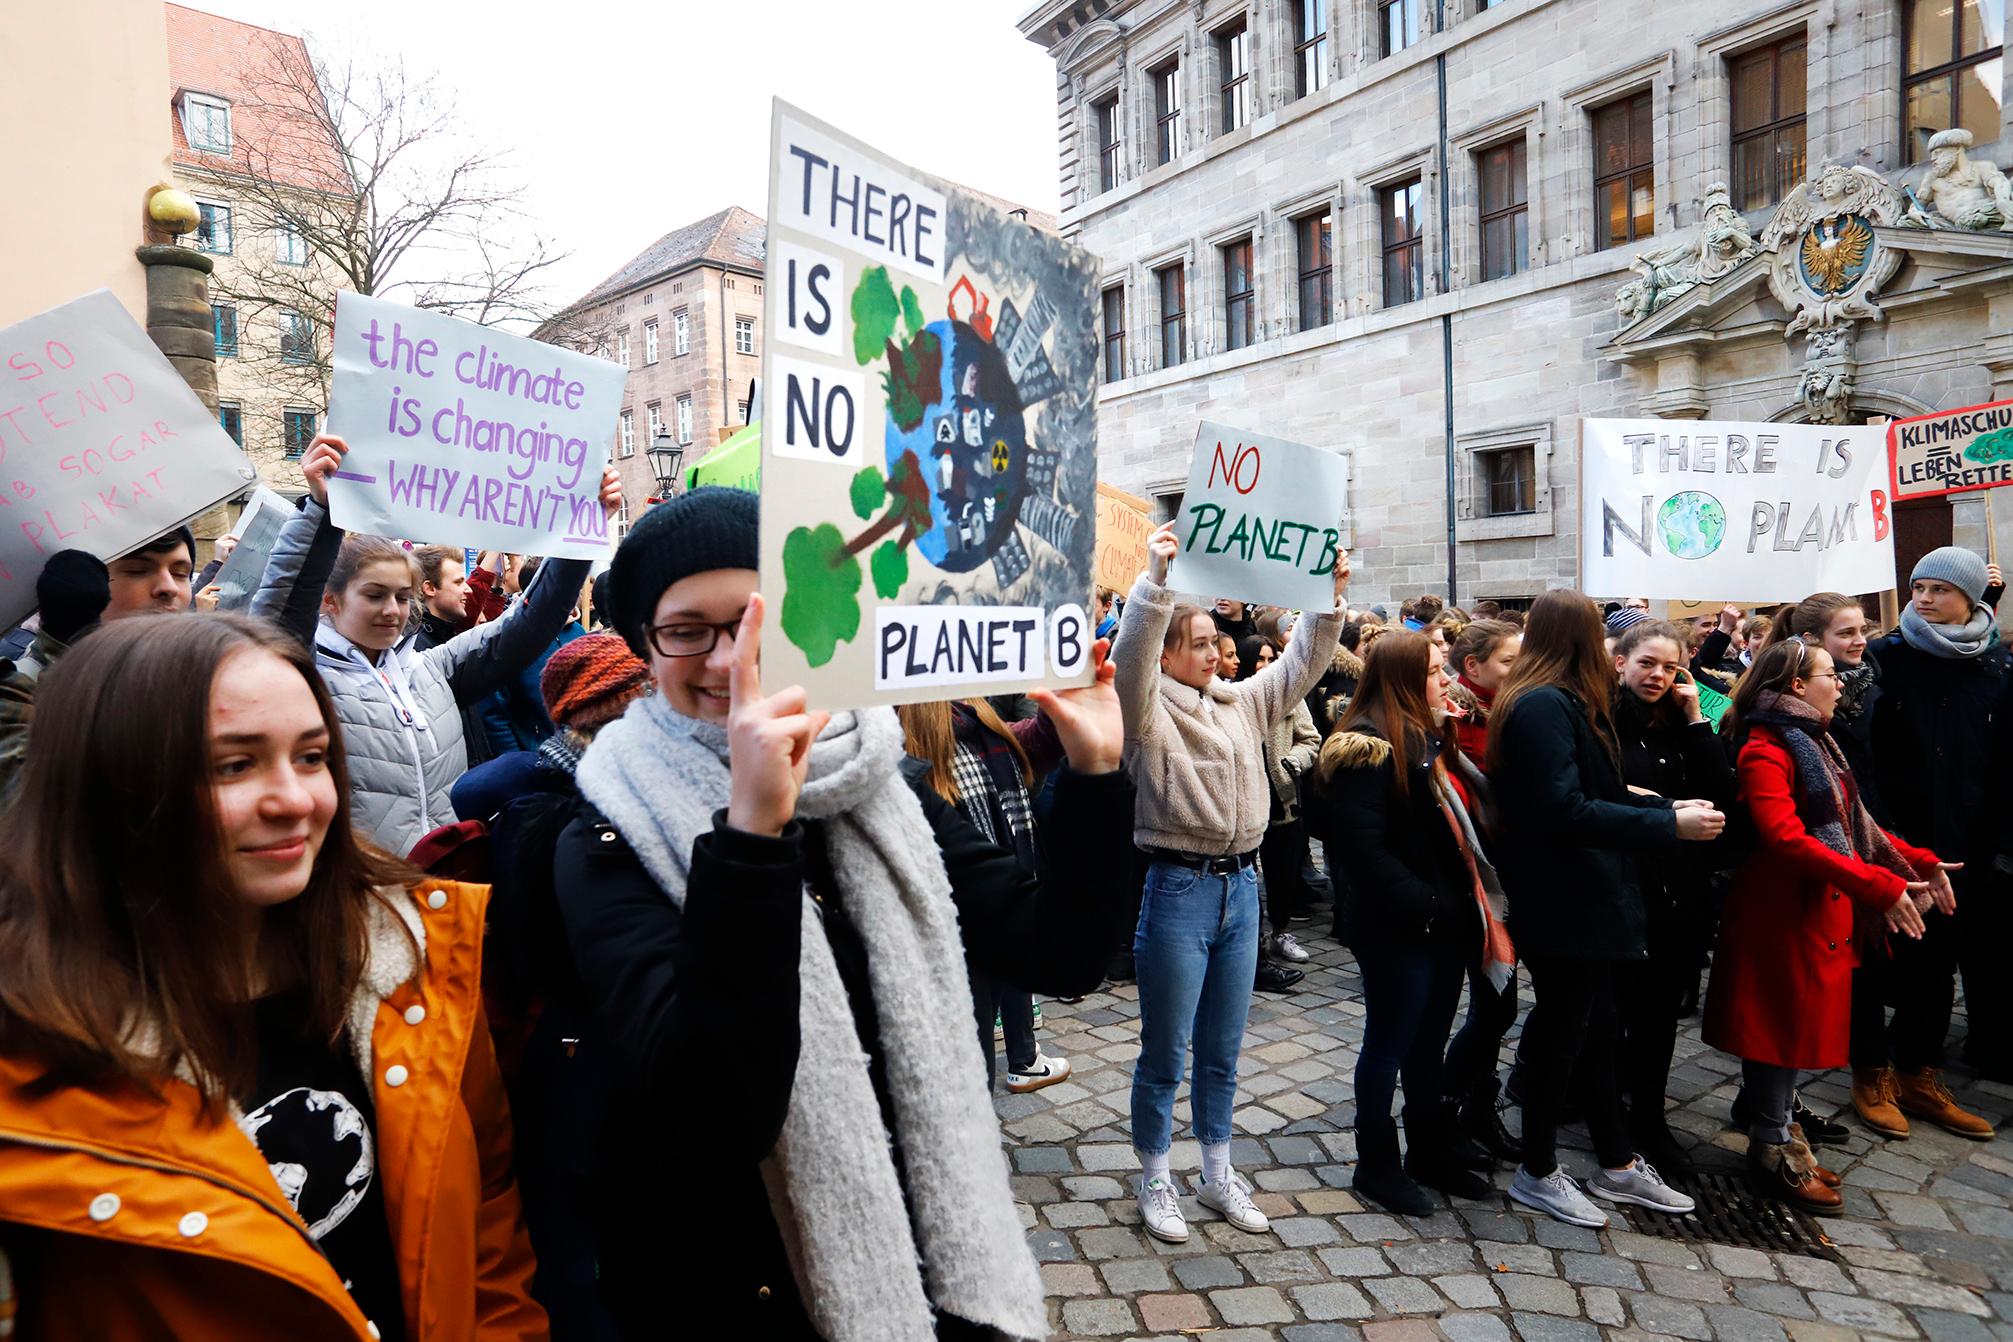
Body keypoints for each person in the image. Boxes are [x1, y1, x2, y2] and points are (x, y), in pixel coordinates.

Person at [546, 487, 1131, 1338]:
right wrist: (750, 833)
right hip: (752, 1287)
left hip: (941, 1260)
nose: (724, 661)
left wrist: (1094, 776)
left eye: (753, 623)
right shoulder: (601, 833)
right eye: (686, 631)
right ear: (644, 643)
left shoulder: (872, 777)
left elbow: (1061, 952)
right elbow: (718, 1110)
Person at [0, 613, 543, 1339]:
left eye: (313, 756)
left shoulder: (414, 961)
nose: (297, 800)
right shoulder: (27, 1057)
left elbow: (486, 1218)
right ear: (113, 786)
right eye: (234, 764)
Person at [1115, 521, 1345, 1245]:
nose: (1213, 651)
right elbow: (1130, 659)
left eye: (1217, 639)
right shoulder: (1147, 709)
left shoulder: (1242, 700)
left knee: (1222, 1049)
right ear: (1170, 652)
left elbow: (1303, 662)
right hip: (1177, 891)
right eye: (1198, 642)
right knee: (1165, 1052)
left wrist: (1326, 596)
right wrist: (1155, 584)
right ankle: (1155, 1174)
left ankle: (1217, 1172)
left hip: (1243, 891)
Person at [250, 434, 619, 857]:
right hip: (360, 893)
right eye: (375, 595)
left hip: (446, 889)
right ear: (330, 600)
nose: (393, 610)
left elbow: (528, 624)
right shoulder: (303, 677)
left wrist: (577, 537)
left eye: (403, 597)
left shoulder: (432, 669)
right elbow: (282, 608)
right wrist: (321, 509)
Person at [1488, 590, 1721, 1228]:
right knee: (1565, 1037)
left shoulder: (1560, 700)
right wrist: (1665, 828)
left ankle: (1617, 1163)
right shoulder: (1541, 704)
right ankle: (1539, 1172)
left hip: (1585, 893)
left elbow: (1595, 789)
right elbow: (1560, 810)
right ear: (1584, 640)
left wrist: (1660, 808)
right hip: (1563, 895)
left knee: (1594, 1031)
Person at [1707, 638, 1950, 1212]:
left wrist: (1917, 859)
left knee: (1789, 1027)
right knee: (1776, 1028)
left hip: (1816, 906)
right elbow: (1787, 837)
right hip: (1781, 910)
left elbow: (1853, 822)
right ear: (1796, 685)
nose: (1840, 682)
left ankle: (1779, 1128)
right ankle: (1772, 1146)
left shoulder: (1818, 740)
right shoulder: (1767, 748)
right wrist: (1880, 885)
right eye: (1828, 674)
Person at [1315, 632, 1506, 1214]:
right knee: (1390, 1045)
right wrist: (1429, 904)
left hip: (1443, 921)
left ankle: (1429, 1148)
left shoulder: (1426, 733)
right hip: (1398, 926)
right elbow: (1361, 852)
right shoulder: (1364, 747)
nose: (1444, 680)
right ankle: (1375, 1162)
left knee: (1428, 1045)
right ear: (1401, 679)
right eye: (1432, 671)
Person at [1865, 546, 2012, 1115]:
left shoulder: (1995, 666)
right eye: (1918, 588)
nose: (1923, 600)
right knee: (1895, 961)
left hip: (1969, 840)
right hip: (1899, 838)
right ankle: (1873, 1069)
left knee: (1944, 958)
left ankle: (1920, 1071)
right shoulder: (1885, 657)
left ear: (1970, 599)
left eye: (1938, 591)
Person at [898, 697, 1076, 1094]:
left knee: (976, 1058)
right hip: (948, 932)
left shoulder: (983, 727)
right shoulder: (899, 744)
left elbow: (1041, 738)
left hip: (997, 913)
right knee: (965, 1065)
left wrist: (1061, 687)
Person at [1609, 619, 1735, 1174]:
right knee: (1614, 1012)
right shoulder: (1601, 719)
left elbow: (1720, 791)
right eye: (1646, 663)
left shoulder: (1680, 724)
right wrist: (1656, 808)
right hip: (1623, 887)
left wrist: (1694, 718)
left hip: (1679, 890)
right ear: (1622, 663)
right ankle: (1605, 1112)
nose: (1657, 675)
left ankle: (1650, 1115)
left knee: (1661, 1013)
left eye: (1669, 666)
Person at [1437, 617, 1522, 1158]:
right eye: (1510, 662)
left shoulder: (1510, 713)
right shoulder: (1457, 720)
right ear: (1473, 667)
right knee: (1494, 1004)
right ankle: (1447, 1104)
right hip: (1475, 882)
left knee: (1499, 1004)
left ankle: (1476, 1105)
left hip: (1511, 876)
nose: (1521, 671)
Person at [1237, 633, 1317, 967]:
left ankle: (1280, 931)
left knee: (1282, 873)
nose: (1266, 666)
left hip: (1282, 800)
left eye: (1272, 659)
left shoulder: (1290, 696)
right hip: (1243, 801)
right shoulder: (1233, 695)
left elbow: (1311, 739)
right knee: (1245, 875)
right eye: (1259, 659)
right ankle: (1248, 942)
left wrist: (1293, 763)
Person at [1446, 618, 1520, 769]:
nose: (1519, 668)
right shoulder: (1462, 720)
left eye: (1521, 660)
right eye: (1508, 661)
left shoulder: (1509, 702)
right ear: (1472, 665)